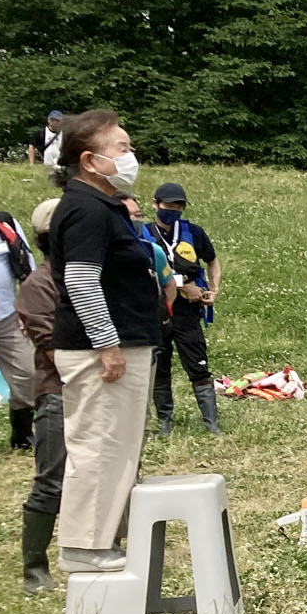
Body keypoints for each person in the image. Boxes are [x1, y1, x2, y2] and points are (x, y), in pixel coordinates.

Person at [45, 111, 165, 569]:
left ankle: (106, 536)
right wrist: (107, 345)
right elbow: (80, 280)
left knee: (116, 445)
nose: (131, 156)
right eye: (122, 148)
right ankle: (85, 546)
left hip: (122, 343)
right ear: (90, 161)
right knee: (98, 443)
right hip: (101, 351)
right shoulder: (86, 210)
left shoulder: (102, 205)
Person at [146, 182, 222, 438]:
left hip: (189, 313)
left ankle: (212, 423)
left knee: (199, 366)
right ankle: (164, 423)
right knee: (160, 368)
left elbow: (212, 260)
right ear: (155, 204)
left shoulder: (193, 232)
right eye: (168, 205)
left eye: (178, 206)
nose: (173, 210)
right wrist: (183, 286)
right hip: (157, 312)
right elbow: (148, 274)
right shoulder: (144, 235)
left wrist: (214, 289)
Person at [14, 201, 64, 595]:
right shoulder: (39, 286)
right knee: (52, 480)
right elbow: (52, 349)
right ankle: (35, 568)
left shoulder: (93, 277)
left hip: (103, 394)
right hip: (60, 395)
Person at [0, 200, 38, 452]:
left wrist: (27, 307)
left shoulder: (3, 222)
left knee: (28, 371)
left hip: (5, 311)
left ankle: (21, 434)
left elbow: (28, 266)